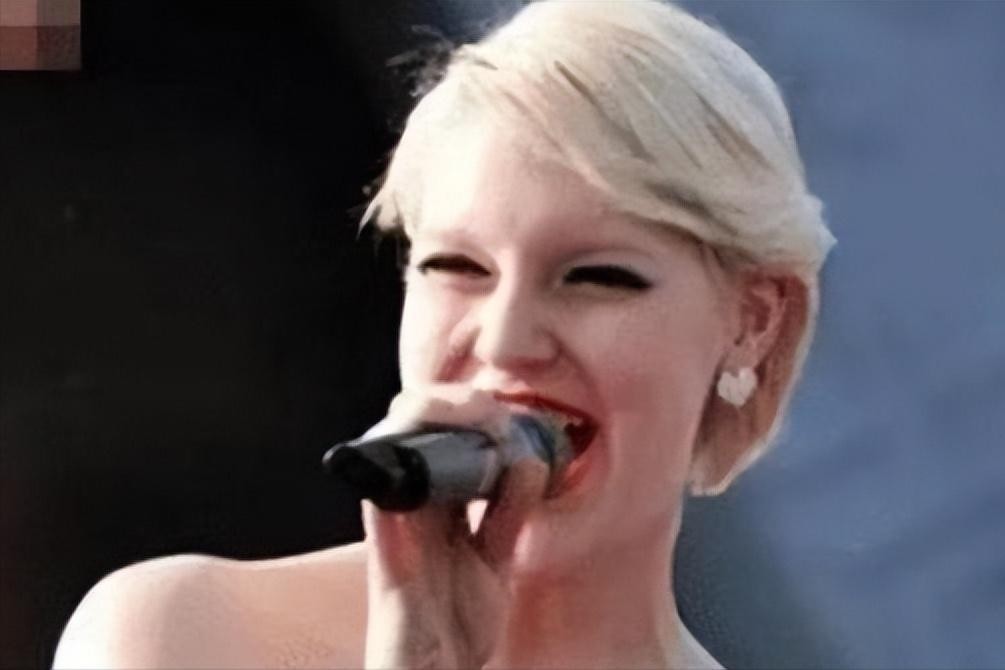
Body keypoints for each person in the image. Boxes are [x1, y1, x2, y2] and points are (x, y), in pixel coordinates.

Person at [53, 1, 835, 668]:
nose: (503, 342)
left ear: (753, 320)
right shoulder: (186, 635)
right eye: (456, 268)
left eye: (596, 277)